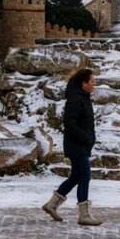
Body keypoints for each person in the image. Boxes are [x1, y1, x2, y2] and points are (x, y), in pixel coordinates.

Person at [41, 68, 102, 226]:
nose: (94, 84)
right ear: (84, 84)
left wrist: (88, 139)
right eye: (92, 81)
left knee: (76, 176)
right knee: (85, 176)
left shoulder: (83, 97)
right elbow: (69, 124)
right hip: (77, 145)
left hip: (81, 145)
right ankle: (84, 215)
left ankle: (51, 205)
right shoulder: (76, 99)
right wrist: (85, 138)